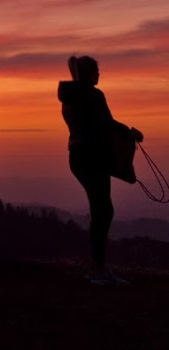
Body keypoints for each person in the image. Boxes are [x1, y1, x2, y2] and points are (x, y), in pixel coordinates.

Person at [59, 55, 142, 285]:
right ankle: (98, 270)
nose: (99, 76)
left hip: (79, 158)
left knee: (101, 209)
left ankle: (99, 267)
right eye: (96, 72)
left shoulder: (71, 97)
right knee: (103, 211)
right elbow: (106, 125)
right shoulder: (93, 96)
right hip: (92, 159)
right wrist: (130, 133)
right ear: (89, 74)